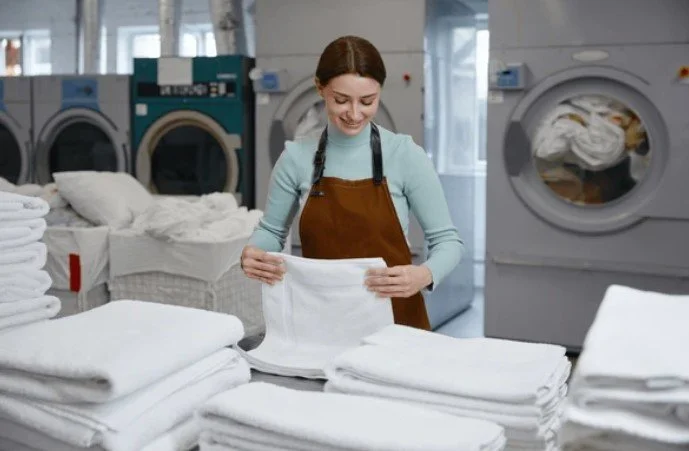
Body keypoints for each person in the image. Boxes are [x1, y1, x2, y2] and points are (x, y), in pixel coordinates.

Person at [240, 35, 463, 330]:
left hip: (395, 319)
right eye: (341, 100)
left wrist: (424, 274)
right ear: (321, 88)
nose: (355, 114)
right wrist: (254, 251)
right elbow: (272, 231)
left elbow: (448, 242)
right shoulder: (296, 157)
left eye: (367, 101)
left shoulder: (405, 155)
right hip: (321, 317)